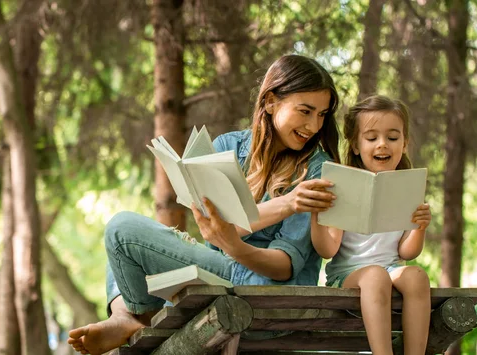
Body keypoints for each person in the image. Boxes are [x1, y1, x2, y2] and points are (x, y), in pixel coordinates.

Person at [68, 54, 341, 355]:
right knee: (122, 250)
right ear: (271, 101)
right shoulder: (229, 147)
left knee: (122, 230)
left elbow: (285, 266)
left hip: (269, 294)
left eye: (322, 115)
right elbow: (216, 231)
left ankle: (130, 317)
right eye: (305, 111)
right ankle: (125, 317)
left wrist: (236, 245)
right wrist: (285, 204)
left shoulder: (317, 169)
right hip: (220, 276)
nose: (314, 125)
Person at [310, 95, 432, 355]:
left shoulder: (407, 189)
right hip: (348, 275)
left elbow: (406, 253)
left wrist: (419, 227)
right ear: (355, 145)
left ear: (405, 143)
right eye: (372, 137)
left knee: (416, 276)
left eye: (392, 137)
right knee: (375, 274)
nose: (382, 145)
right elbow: (327, 250)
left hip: (390, 269)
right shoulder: (343, 186)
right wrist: (316, 217)